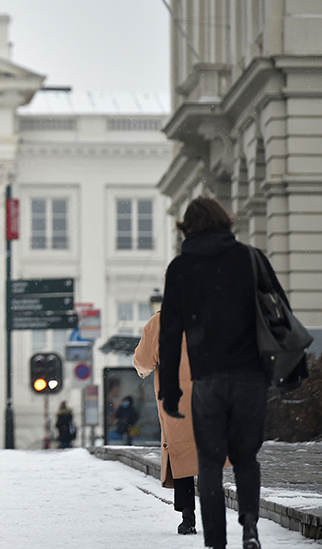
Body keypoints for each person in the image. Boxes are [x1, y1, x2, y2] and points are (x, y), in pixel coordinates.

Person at [159, 196, 284, 549]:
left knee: (210, 463)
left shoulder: (181, 269)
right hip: (250, 376)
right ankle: (250, 528)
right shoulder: (249, 258)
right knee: (246, 458)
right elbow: (279, 310)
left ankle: (215, 541)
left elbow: (169, 334)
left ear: (187, 228)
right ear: (224, 221)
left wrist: (171, 392)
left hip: (207, 381)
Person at [134, 311, 199, 535]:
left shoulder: (160, 322)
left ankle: (188, 516)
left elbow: (143, 361)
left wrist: (143, 371)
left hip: (177, 398)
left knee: (182, 454)